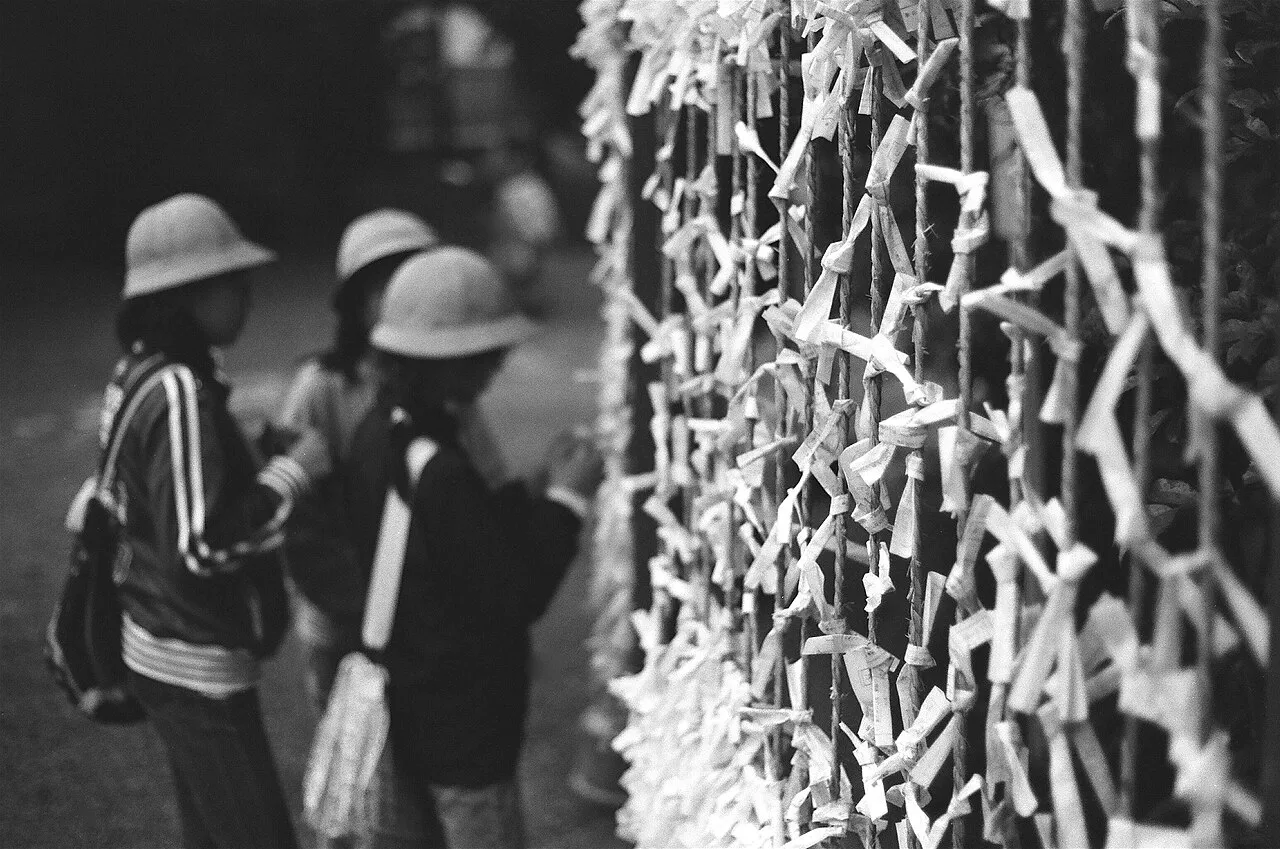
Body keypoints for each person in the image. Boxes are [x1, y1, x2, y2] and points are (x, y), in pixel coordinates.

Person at [345, 247, 601, 848]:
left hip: (408, 702)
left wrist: (532, 489)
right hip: (463, 726)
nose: (495, 367)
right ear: (441, 363)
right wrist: (568, 501)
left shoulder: (378, 434)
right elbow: (515, 593)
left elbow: (452, 543)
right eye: (481, 357)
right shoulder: (442, 473)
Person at [110, 193, 331, 849]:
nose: (249, 299)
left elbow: (154, 492)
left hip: (161, 647)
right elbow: (200, 545)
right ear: (190, 295)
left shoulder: (140, 371)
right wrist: (294, 473)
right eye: (236, 284)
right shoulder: (179, 389)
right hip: (192, 661)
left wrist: (251, 451)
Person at [279, 208, 443, 712]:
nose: (398, 300)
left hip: (424, 612)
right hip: (343, 615)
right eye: (382, 286)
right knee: (351, 747)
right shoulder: (321, 387)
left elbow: (482, 479)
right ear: (354, 303)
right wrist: (362, 601)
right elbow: (297, 515)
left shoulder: (442, 382)